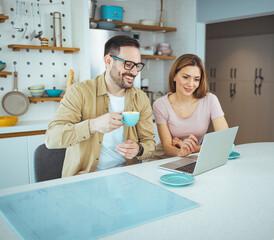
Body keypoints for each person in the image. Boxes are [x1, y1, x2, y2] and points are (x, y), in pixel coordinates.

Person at [46, 35, 156, 177]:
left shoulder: (140, 98)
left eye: (137, 65)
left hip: (127, 175)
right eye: (128, 64)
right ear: (109, 61)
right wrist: (93, 125)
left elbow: (149, 143)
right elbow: (51, 139)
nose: (134, 72)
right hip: (86, 178)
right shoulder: (79, 92)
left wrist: (139, 149)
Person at [153, 54, 229, 157]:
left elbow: (224, 140)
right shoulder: (160, 104)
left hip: (193, 157)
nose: (191, 84)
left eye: (196, 79)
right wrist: (181, 152)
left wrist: (191, 149)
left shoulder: (210, 100)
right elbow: (167, 147)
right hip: (164, 158)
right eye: (185, 77)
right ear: (174, 76)